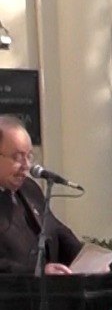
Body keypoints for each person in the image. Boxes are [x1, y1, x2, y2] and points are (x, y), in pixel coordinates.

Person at [0, 115, 81, 274]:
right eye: (17, 157)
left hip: (48, 289)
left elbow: (55, 230)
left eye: (29, 156)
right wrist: (37, 272)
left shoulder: (29, 188)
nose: (26, 165)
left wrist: (87, 259)